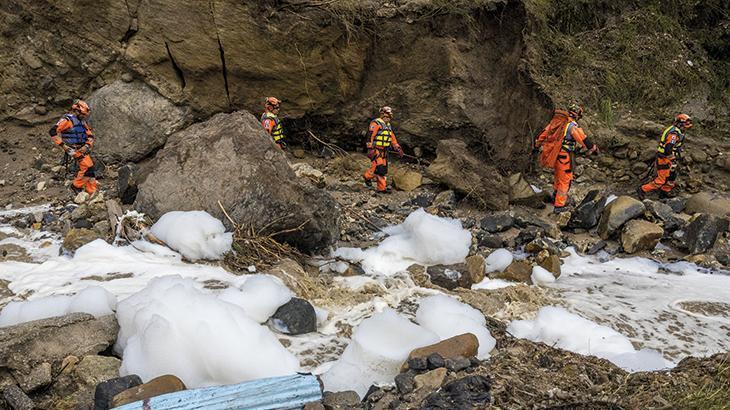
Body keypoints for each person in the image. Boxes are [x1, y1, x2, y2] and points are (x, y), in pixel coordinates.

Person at [534, 103, 599, 213]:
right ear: (578, 115)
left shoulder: (556, 122)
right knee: (565, 179)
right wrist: (593, 148)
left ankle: (555, 197)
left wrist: (537, 145)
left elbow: (543, 134)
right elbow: (583, 139)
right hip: (565, 156)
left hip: (554, 155)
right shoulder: (572, 126)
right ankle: (559, 205)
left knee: (558, 177)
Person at [49, 99, 97, 195]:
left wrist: (87, 145)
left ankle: (91, 191)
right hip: (72, 148)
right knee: (87, 167)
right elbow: (52, 131)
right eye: (82, 114)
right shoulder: (67, 120)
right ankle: (76, 186)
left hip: (83, 148)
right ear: (76, 111)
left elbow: (90, 136)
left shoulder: (82, 122)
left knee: (90, 169)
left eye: (85, 115)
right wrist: (63, 145)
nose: (84, 117)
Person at [638, 114, 692, 199]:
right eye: (684, 126)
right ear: (679, 124)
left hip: (670, 157)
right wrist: (672, 158)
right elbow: (668, 148)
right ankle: (643, 189)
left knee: (671, 177)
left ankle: (664, 193)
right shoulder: (673, 134)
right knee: (661, 180)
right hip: (664, 158)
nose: (685, 128)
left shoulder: (678, 132)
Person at [363, 106, 403, 193]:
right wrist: (370, 148)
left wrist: (397, 147)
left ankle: (381, 188)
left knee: (383, 170)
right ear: (382, 115)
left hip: (384, 151)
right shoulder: (376, 123)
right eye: (386, 116)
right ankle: (367, 177)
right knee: (378, 167)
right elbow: (370, 136)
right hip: (376, 149)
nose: (387, 118)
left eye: (389, 116)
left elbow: (392, 138)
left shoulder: (388, 126)